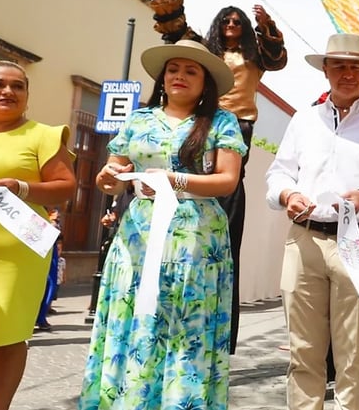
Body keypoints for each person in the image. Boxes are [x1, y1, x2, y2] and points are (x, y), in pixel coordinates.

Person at [80, 39, 246, 409]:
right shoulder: (138, 120)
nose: (179, 76)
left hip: (196, 238)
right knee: (135, 314)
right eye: (173, 69)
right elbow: (114, 174)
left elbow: (227, 181)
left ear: (205, 82)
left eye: (190, 71)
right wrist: (107, 179)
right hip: (139, 233)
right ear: (162, 77)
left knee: (186, 324)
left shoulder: (221, 122)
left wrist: (175, 181)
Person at [266, 33, 359, 410]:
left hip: (358, 240)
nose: (347, 73)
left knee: (353, 351)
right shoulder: (304, 119)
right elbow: (279, 173)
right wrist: (288, 195)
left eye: (355, 66)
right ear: (325, 70)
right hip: (305, 238)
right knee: (303, 349)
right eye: (339, 66)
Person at [150, 0, 288, 353]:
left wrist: (267, 27)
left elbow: (278, 58)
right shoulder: (207, 53)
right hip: (204, 122)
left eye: (236, 21)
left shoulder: (254, 55)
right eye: (226, 20)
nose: (230, 25)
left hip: (237, 126)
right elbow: (178, 34)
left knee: (226, 194)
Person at [0, 60, 76, 410]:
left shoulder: (43, 135)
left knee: (5, 336)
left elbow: (65, 187)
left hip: (17, 254)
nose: (7, 91)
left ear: (27, 94)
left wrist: (21, 187)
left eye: (17, 86)